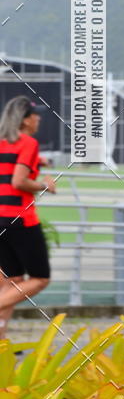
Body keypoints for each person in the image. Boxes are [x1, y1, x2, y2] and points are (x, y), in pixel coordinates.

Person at [0, 95, 55, 339]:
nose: (39, 119)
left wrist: (38, 163)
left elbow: (9, 171)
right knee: (40, 278)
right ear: (24, 120)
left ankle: (2, 345)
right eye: (35, 115)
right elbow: (19, 181)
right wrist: (43, 184)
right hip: (19, 220)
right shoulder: (28, 143)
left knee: (10, 281)